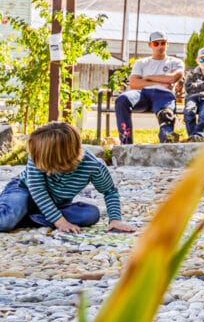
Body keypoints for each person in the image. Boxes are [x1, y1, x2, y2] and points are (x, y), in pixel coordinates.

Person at [0, 121, 136, 233]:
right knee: (5, 222)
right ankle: (21, 215)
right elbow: (38, 191)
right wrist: (60, 222)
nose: (34, 160)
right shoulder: (37, 156)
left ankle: (23, 217)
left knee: (90, 214)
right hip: (23, 190)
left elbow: (109, 191)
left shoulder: (93, 166)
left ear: (59, 157)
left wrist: (115, 220)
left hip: (55, 204)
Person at [115, 31, 185, 144]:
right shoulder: (142, 63)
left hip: (164, 95)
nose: (160, 46)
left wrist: (148, 77)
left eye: (163, 43)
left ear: (167, 44)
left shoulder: (176, 62)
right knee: (121, 100)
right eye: (156, 44)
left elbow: (172, 78)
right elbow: (133, 83)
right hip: (143, 94)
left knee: (165, 115)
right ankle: (126, 142)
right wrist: (160, 82)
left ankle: (167, 140)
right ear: (150, 45)